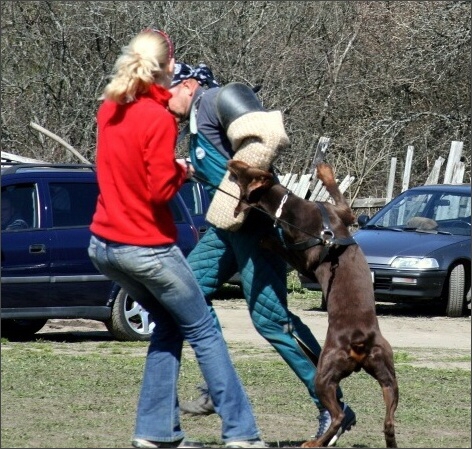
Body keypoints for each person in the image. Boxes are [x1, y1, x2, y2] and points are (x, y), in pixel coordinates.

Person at [87, 30, 265, 449]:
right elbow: (157, 191)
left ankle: (155, 432)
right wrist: (180, 171)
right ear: (169, 67)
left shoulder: (110, 108)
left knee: (168, 325)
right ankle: (242, 433)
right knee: (204, 329)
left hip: (103, 247)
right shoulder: (159, 120)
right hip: (146, 247)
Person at [168, 62, 357, 447]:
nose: (162, 102)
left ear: (188, 85)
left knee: (272, 322)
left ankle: (332, 405)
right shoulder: (194, 120)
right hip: (226, 231)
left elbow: (268, 136)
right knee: (186, 294)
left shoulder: (216, 98)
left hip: (257, 230)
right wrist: (189, 168)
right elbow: (225, 162)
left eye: (167, 92)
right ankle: (216, 384)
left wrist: (233, 196)